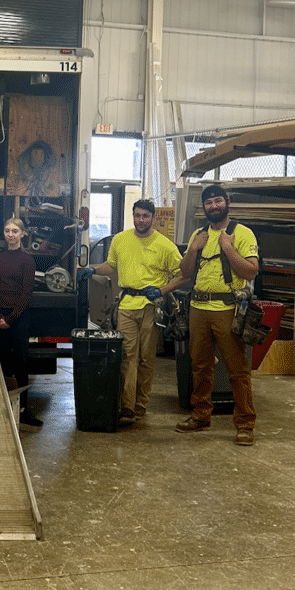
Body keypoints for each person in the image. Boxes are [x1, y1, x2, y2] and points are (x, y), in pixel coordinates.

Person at [85, 199, 184, 424]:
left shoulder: (165, 245)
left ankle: (141, 404)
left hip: (151, 307)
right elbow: (111, 266)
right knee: (128, 356)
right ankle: (127, 406)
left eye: (145, 216)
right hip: (127, 305)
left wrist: (161, 290)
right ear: (133, 216)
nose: (140, 220)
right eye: (137, 215)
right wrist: (90, 271)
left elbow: (183, 274)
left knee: (146, 358)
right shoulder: (120, 240)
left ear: (153, 218)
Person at [176, 184, 259, 446]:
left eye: (217, 201)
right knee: (199, 365)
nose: (213, 206)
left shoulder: (242, 234)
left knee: (237, 369)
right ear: (204, 208)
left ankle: (245, 424)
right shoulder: (198, 235)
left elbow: (250, 272)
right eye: (209, 202)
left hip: (227, 309)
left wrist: (228, 248)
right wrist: (191, 251)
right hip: (198, 308)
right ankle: (200, 415)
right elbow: (186, 273)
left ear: (227, 202)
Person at [0, 217, 42, 427]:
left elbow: (26, 293)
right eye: (7, 231)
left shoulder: (27, 260)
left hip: (17, 318)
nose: (10, 234)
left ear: (22, 234)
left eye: (15, 231)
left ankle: (23, 409)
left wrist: (9, 318)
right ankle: (0, 406)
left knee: (21, 362)